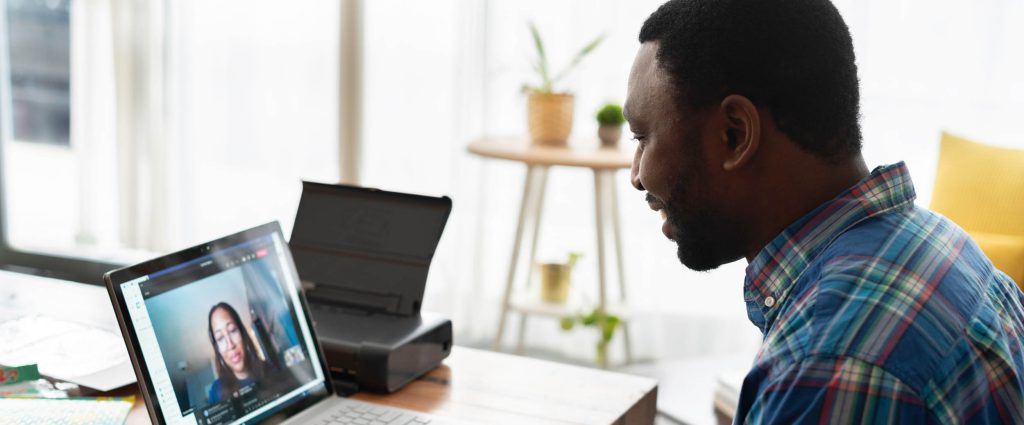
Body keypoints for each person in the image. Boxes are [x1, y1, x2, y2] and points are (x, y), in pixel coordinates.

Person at [625, 0, 1024, 423]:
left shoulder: (824, 367)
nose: (636, 175)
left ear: (735, 134)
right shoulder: (943, 243)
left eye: (642, 137)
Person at [206, 302, 268, 403]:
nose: (230, 345)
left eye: (232, 330)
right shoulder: (216, 392)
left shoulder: (269, 369)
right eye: (220, 338)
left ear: (242, 333)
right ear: (217, 349)